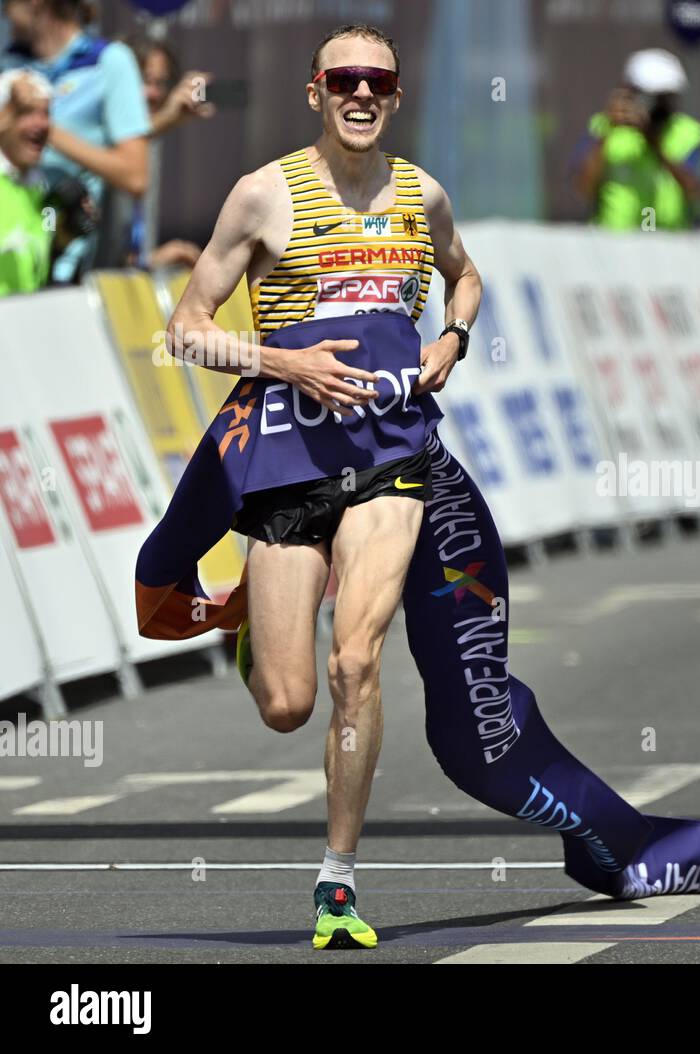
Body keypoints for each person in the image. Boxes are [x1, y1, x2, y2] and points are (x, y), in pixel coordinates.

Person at [166, 22, 480, 948]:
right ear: (315, 91)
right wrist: (283, 362)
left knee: (357, 662)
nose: (360, 93)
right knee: (288, 703)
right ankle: (255, 640)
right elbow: (184, 330)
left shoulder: (421, 194)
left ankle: (337, 882)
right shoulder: (263, 194)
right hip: (286, 462)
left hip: (391, 454)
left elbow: (465, 278)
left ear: (393, 95)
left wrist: (451, 339)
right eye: (343, 78)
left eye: (377, 81)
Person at [1, 0, 149, 282]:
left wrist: (43, 127)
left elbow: (135, 175)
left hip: (76, 267)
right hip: (14, 252)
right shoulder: (8, 65)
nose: (4, 11)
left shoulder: (110, 62)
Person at [572, 47, 700, 230]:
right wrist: (606, 134)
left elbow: (696, 193)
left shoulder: (689, 133)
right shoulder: (603, 128)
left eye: (665, 98)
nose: (660, 106)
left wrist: (654, 144)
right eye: (653, 98)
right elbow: (583, 189)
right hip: (612, 246)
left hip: (670, 247)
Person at [122, 34, 212, 269]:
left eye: (159, 83)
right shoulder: (98, 149)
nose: (152, 94)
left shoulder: (152, 142)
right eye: (142, 80)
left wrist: (151, 260)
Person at [0, 68, 52, 294]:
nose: (41, 124)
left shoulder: (41, 188)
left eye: (46, 113)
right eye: (26, 112)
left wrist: (63, 239)